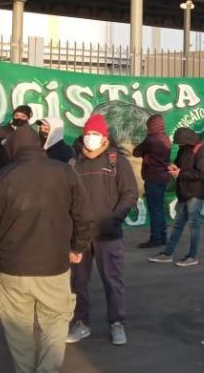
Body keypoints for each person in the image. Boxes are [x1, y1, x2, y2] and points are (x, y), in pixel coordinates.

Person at [0, 124, 93, 373]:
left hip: (11, 269)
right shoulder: (64, 172)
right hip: (55, 266)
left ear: (14, 149)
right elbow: (84, 216)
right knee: (55, 323)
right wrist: (78, 247)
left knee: (19, 331)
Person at [68, 114, 137, 346]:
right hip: (80, 236)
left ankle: (117, 323)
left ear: (104, 137)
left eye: (95, 135)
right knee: (77, 282)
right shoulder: (75, 161)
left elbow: (130, 193)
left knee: (113, 280)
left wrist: (114, 218)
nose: (90, 139)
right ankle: (81, 323)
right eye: (87, 134)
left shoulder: (117, 161)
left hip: (108, 233)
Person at [149, 128, 204, 267]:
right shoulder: (184, 149)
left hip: (196, 193)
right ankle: (167, 254)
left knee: (194, 225)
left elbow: (203, 173)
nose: (180, 145)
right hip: (184, 192)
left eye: (181, 143)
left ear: (188, 139)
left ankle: (192, 255)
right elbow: (178, 163)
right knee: (178, 225)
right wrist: (173, 167)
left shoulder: (202, 149)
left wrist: (180, 173)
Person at [133, 114, 171, 248]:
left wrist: (144, 153)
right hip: (163, 177)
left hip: (153, 177)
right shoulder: (166, 138)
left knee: (155, 209)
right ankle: (163, 237)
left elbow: (135, 152)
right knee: (160, 208)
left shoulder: (150, 139)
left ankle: (155, 238)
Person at [0, 105, 32, 175]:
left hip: (23, 172)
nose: (19, 118)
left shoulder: (31, 134)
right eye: (16, 115)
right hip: (2, 171)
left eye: (23, 116)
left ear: (28, 118)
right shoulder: (1, 131)